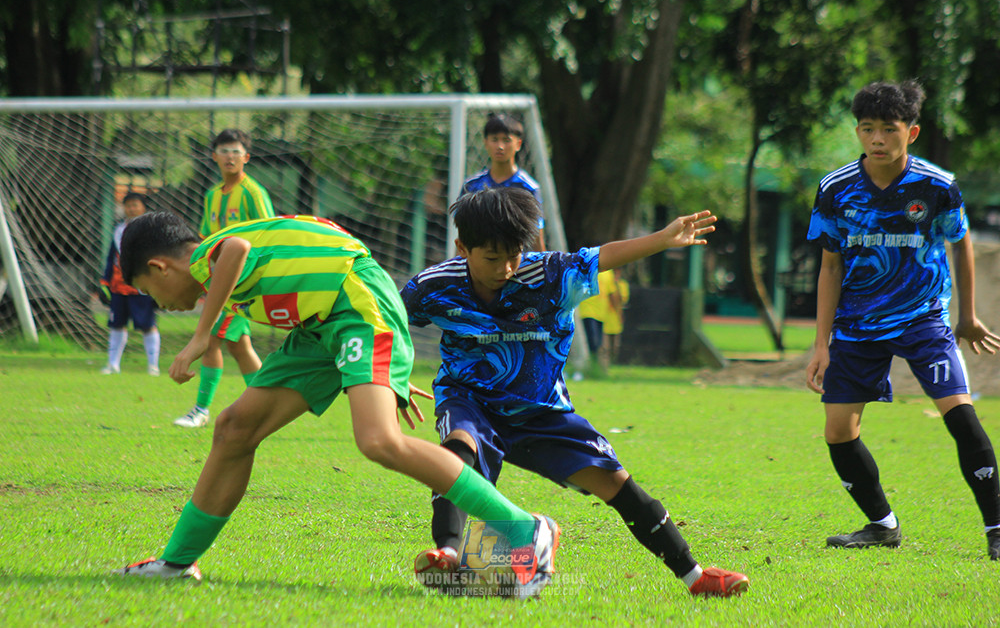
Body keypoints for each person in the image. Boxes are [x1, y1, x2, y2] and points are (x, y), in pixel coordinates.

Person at [114, 212, 559, 597]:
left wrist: (199, 337)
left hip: (356, 308)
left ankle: (525, 529)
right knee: (234, 428)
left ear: (160, 266)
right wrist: (385, 379)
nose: (162, 306)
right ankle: (175, 564)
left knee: (379, 441)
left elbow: (236, 249)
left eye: (150, 293)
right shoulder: (221, 265)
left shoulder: (208, 256)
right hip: (321, 327)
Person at [401, 187, 749, 598]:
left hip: (541, 410)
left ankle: (696, 577)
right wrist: (392, 373)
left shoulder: (549, 275)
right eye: (492, 258)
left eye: (514, 255)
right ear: (463, 248)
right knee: (458, 450)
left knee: (617, 483)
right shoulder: (434, 285)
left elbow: (599, 256)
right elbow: (386, 318)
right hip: (469, 399)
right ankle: (448, 553)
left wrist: (661, 238)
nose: (506, 268)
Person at [805, 80, 1000, 558]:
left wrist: (968, 316)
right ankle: (881, 525)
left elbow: (961, 244)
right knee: (838, 432)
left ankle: (997, 529)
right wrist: (821, 343)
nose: (877, 139)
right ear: (857, 131)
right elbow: (829, 266)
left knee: (961, 416)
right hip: (856, 325)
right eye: (868, 129)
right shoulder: (836, 189)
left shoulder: (937, 186)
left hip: (924, 320)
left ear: (910, 133)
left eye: (888, 129)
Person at [173, 128, 274, 428]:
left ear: (247, 157)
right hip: (221, 282)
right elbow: (207, 238)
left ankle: (201, 410)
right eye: (224, 151)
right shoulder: (212, 196)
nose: (230, 156)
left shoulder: (253, 193)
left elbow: (269, 234)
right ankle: (266, 407)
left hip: (244, 282)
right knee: (238, 346)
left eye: (236, 151)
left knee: (213, 339)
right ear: (214, 156)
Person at [461, 114, 546, 250]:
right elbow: (463, 233)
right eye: (494, 140)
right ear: (485, 142)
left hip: (516, 266)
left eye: (506, 140)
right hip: (480, 266)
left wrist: (543, 269)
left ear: (518, 144)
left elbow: (537, 236)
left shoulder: (528, 187)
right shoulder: (471, 185)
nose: (500, 146)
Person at [98, 191, 160, 376]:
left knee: (147, 325)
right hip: (118, 286)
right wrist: (105, 282)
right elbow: (111, 258)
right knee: (117, 324)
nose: (131, 208)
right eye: (128, 205)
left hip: (141, 288)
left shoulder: (150, 230)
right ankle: (113, 364)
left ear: (143, 208)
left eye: (135, 205)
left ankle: (153, 365)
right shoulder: (118, 230)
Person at [579, 268, 630, 375]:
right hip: (586, 312)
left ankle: (596, 368)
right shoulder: (585, 268)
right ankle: (589, 368)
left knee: (599, 344)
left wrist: (618, 313)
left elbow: (612, 295)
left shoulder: (607, 274)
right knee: (592, 343)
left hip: (601, 315)